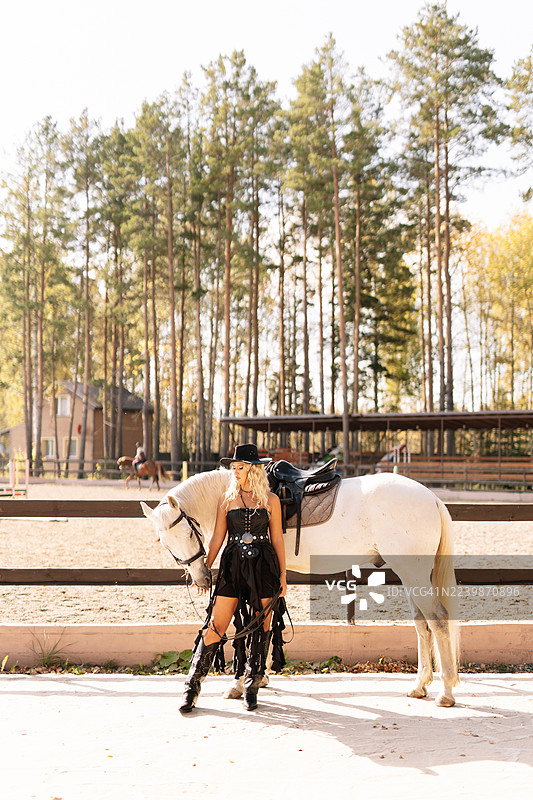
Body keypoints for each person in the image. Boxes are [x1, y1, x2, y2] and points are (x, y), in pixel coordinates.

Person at [180, 443, 288, 714]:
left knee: (262, 623)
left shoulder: (271, 500)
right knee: (216, 624)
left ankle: (251, 684)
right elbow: (217, 537)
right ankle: (192, 687)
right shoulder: (226, 499)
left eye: (240, 468)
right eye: (234, 468)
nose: (235, 472)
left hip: (264, 565)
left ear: (253, 470)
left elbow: (277, 540)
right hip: (233, 564)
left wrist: (283, 577)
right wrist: (204, 567)